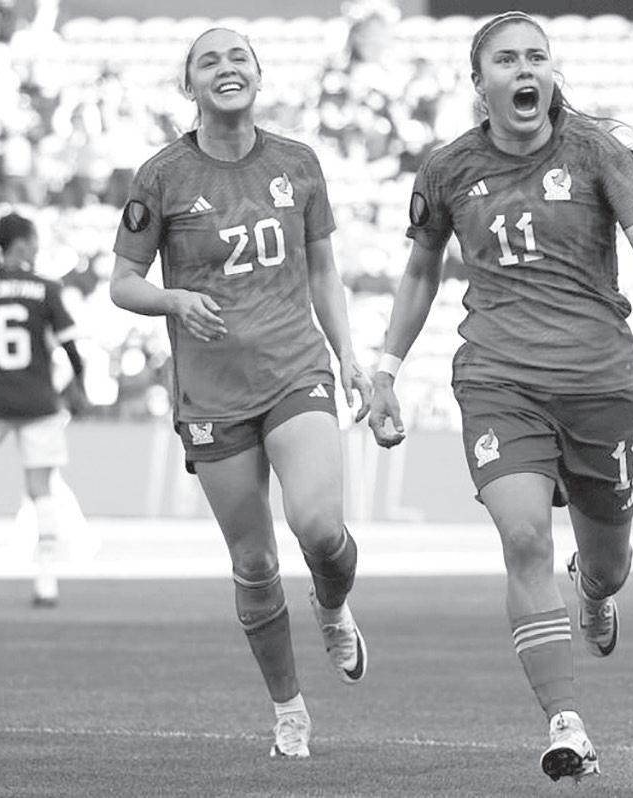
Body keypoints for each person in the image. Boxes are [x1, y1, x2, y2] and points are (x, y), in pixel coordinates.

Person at [368, 11, 633, 783]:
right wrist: (384, 370)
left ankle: (594, 589)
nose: (525, 70)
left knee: (609, 563)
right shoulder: (447, 168)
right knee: (522, 539)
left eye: (537, 58)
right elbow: (420, 272)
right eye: (507, 59)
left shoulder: (594, 153)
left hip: (598, 382)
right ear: (478, 82)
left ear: (551, 73)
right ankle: (565, 721)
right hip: (497, 380)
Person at [109, 27, 372, 759]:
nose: (226, 68)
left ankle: (333, 605)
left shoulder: (298, 162)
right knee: (254, 563)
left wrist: (349, 355)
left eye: (238, 58)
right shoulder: (161, 176)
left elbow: (323, 271)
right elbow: (123, 282)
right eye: (209, 60)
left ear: (259, 74)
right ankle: (289, 709)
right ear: (189, 85)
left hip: (296, 370)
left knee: (319, 527)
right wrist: (174, 300)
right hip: (212, 394)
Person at [0, 212, 89, 607]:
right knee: (41, 490)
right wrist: (80, 386)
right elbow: (71, 348)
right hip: (38, 400)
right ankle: (46, 580)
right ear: (22, 244)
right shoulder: (47, 287)